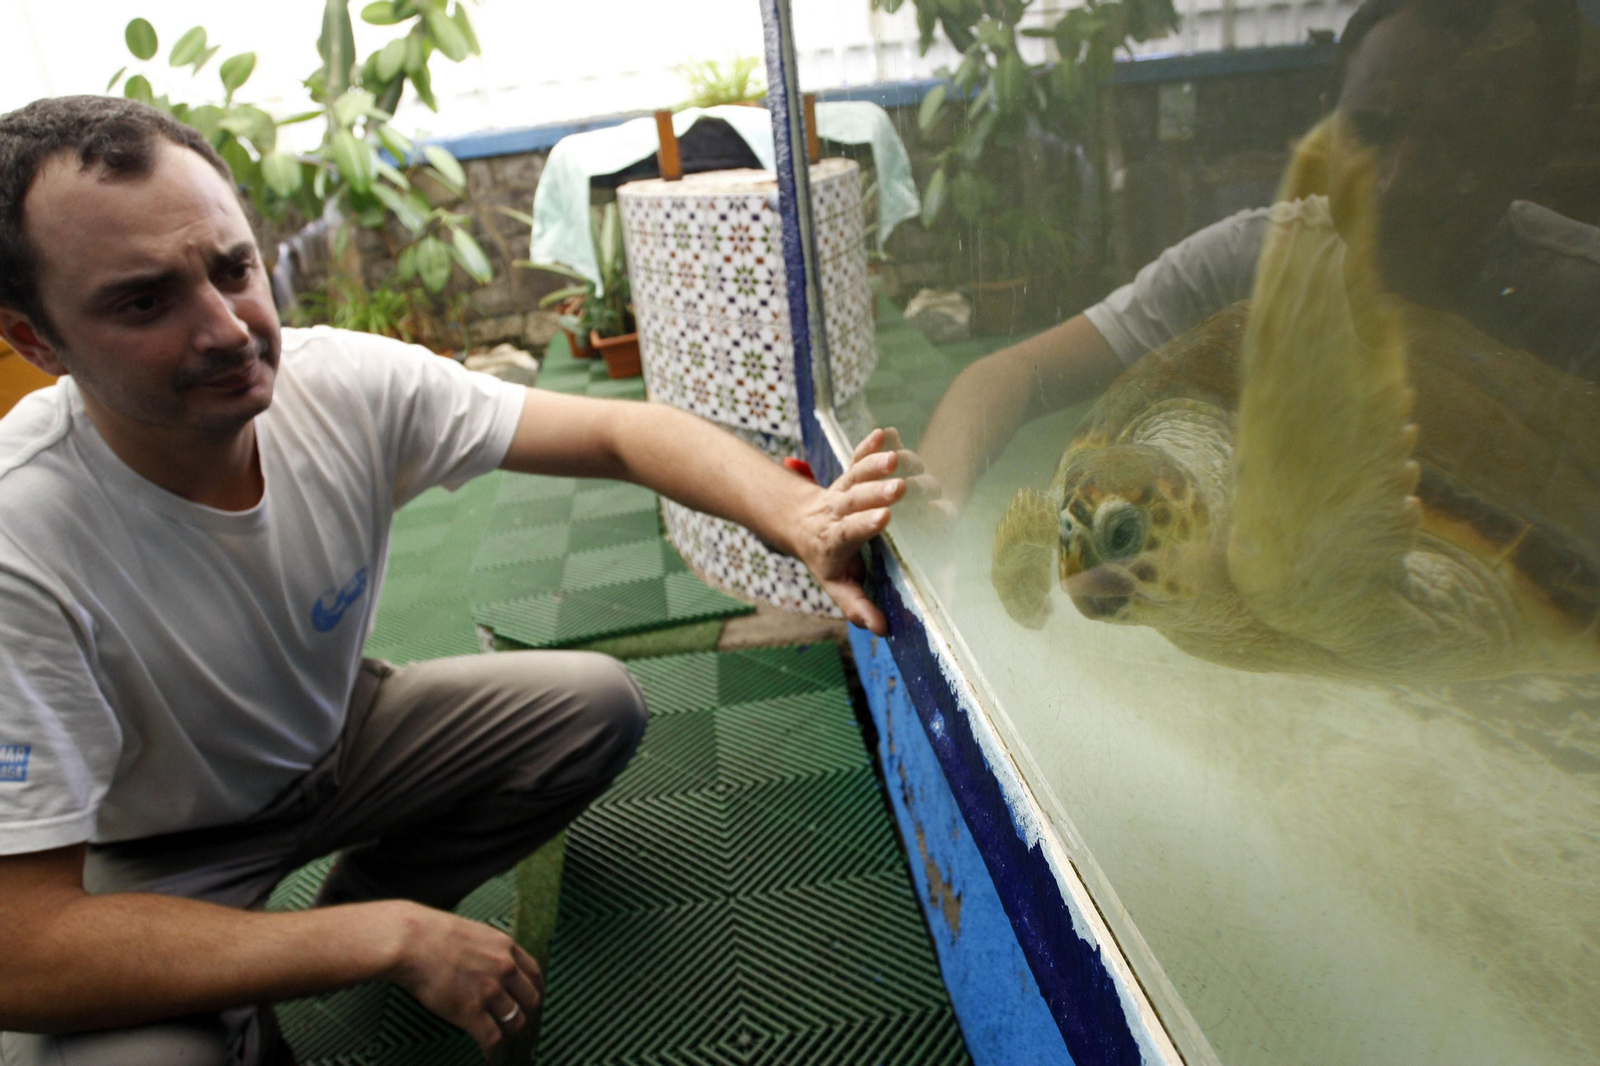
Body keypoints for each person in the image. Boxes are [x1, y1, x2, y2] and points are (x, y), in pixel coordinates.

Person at [0, 96, 907, 1066]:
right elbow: (21, 949)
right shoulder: (23, 540)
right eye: (145, 301)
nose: (227, 329)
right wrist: (382, 940)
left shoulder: (340, 384)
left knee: (594, 708)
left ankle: (362, 898)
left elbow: (615, 430)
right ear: (37, 341)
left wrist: (800, 515)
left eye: (234, 268)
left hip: (341, 739)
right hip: (167, 845)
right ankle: (298, 965)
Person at [916, 0, 1600, 509]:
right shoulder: (1248, 262)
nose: (1397, 180)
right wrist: (934, 508)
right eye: (1370, 130)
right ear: (1326, 118)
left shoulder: (1579, 303)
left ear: (1534, 153)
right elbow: (1004, 375)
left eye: (1455, 143)